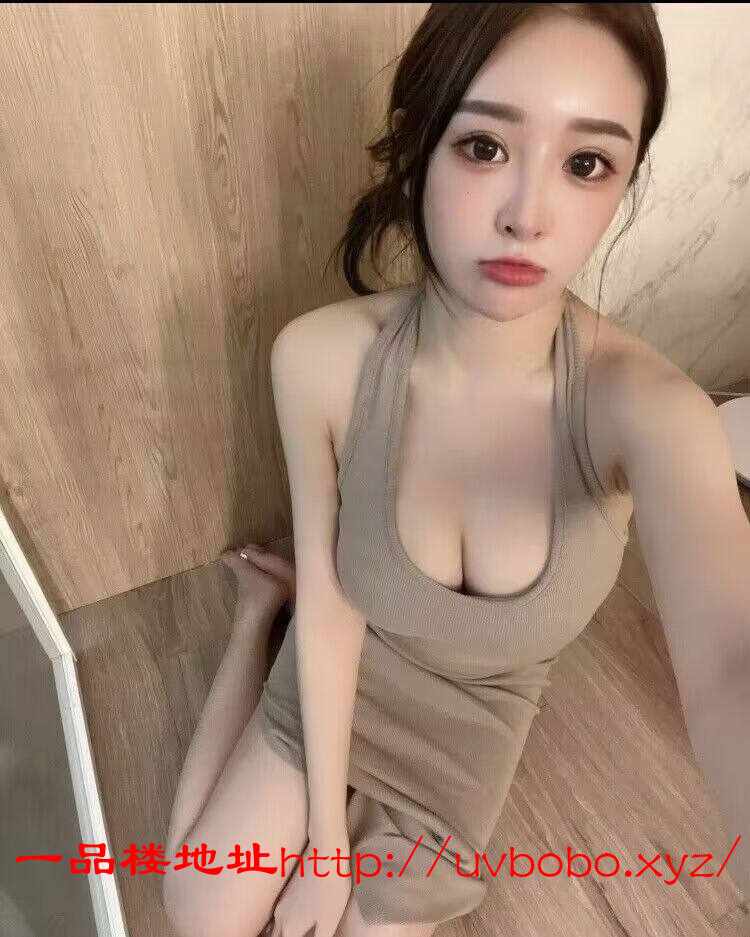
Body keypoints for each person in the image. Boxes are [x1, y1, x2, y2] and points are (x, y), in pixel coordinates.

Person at [162, 5, 750, 937]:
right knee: (201, 914)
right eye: (484, 147)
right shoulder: (318, 358)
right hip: (342, 664)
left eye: (586, 163)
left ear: (624, 182)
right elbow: (334, 602)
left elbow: (729, 666)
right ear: (418, 146)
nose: (528, 215)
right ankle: (252, 617)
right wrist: (325, 845)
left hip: (464, 740)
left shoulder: (649, 409)